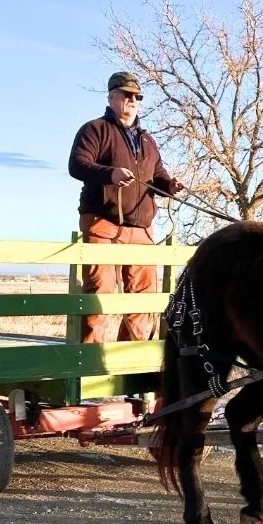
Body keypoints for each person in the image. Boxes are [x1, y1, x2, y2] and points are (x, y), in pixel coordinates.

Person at [68, 71, 179, 342]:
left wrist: (170, 186)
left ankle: (128, 359)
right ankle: (89, 360)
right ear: (111, 97)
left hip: (140, 227)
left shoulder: (147, 140)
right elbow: (77, 165)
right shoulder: (95, 129)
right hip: (102, 221)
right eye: (126, 95)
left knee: (142, 297)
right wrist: (110, 174)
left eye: (137, 96)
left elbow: (158, 175)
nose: (132, 100)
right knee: (100, 291)